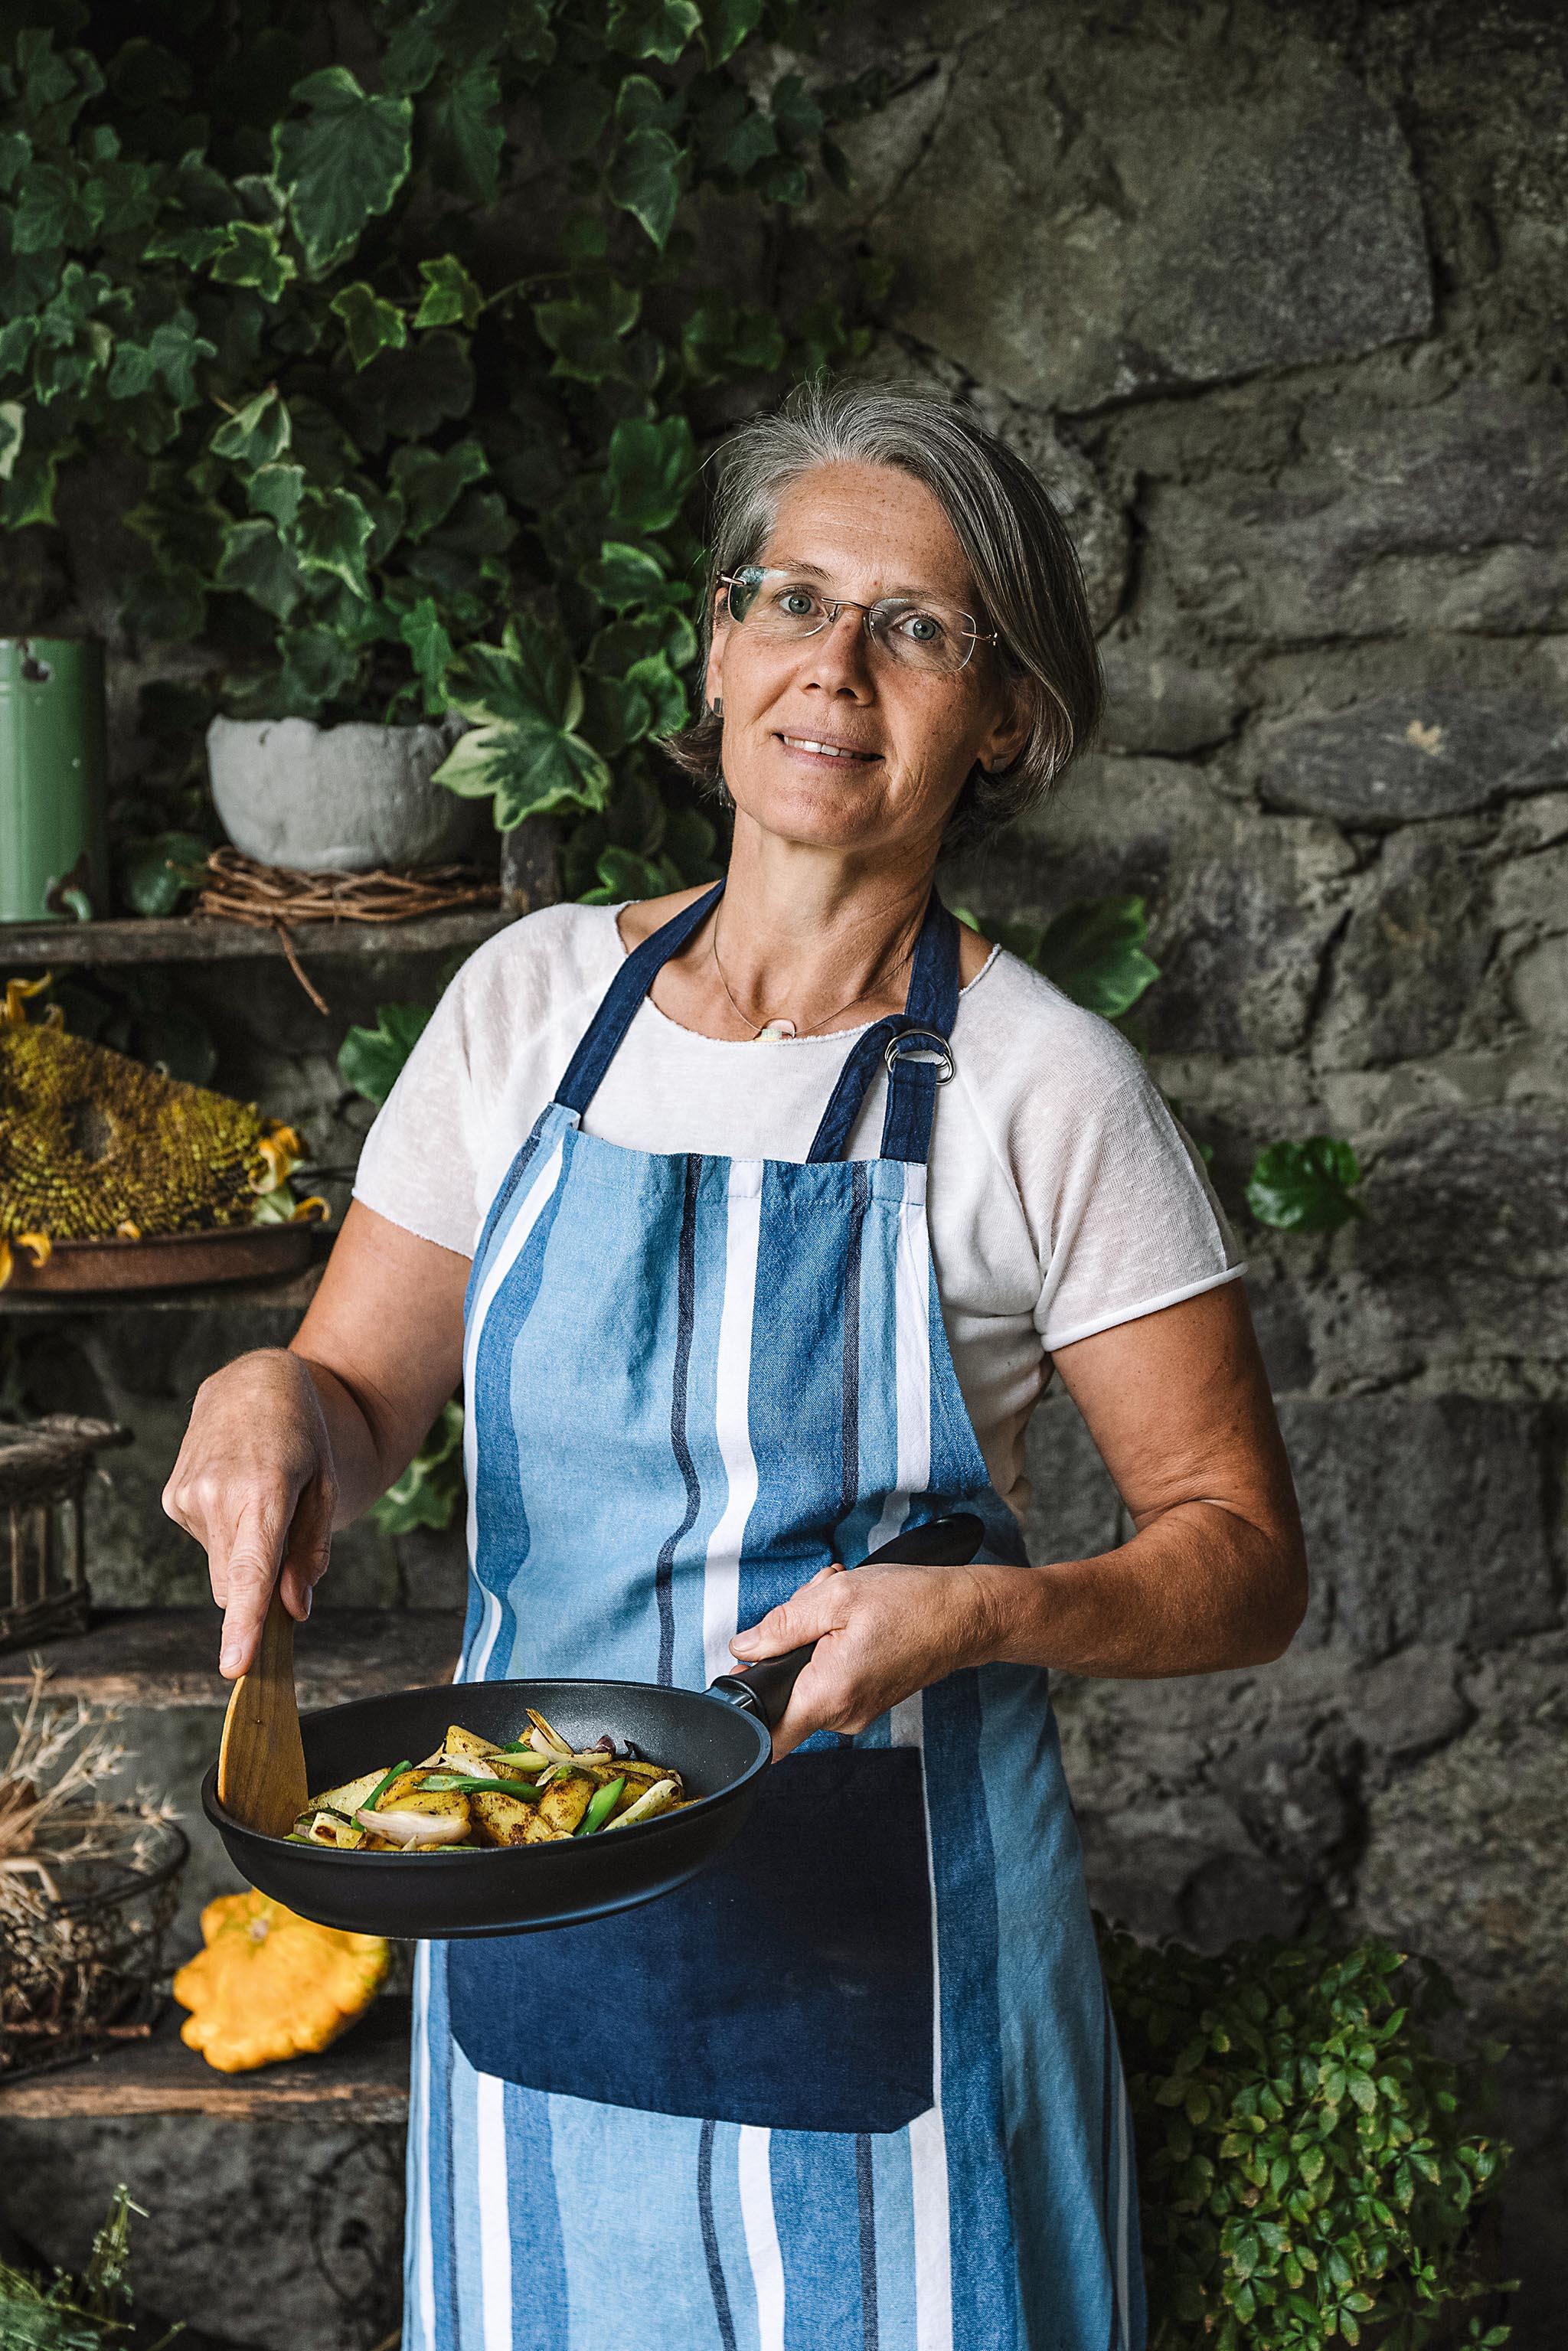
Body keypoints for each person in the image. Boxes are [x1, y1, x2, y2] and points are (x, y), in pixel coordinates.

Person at [165, 377, 1305, 2350]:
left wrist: (980, 1614)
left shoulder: (1045, 1087)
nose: (833, 669)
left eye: (916, 627)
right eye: (791, 601)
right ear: (716, 650)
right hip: (535, 1937)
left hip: (898, 1959)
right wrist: (266, 1401)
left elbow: (1243, 1556)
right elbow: (351, 1405)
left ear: (1007, 717)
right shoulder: (528, 1007)